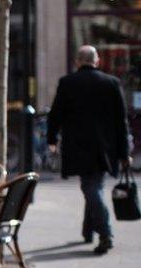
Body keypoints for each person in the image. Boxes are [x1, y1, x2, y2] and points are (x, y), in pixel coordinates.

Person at [47, 45, 131, 255]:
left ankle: (105, 233)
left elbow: (55, 113)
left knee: (91, 188)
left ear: (78, 61)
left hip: (79, 146)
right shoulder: (111, 83)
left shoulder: (68, 83)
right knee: (94, 184)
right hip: (105, 147)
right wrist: (124, 152)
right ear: (97, 61)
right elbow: (121, 121)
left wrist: (52, 138)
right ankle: (88, 231)